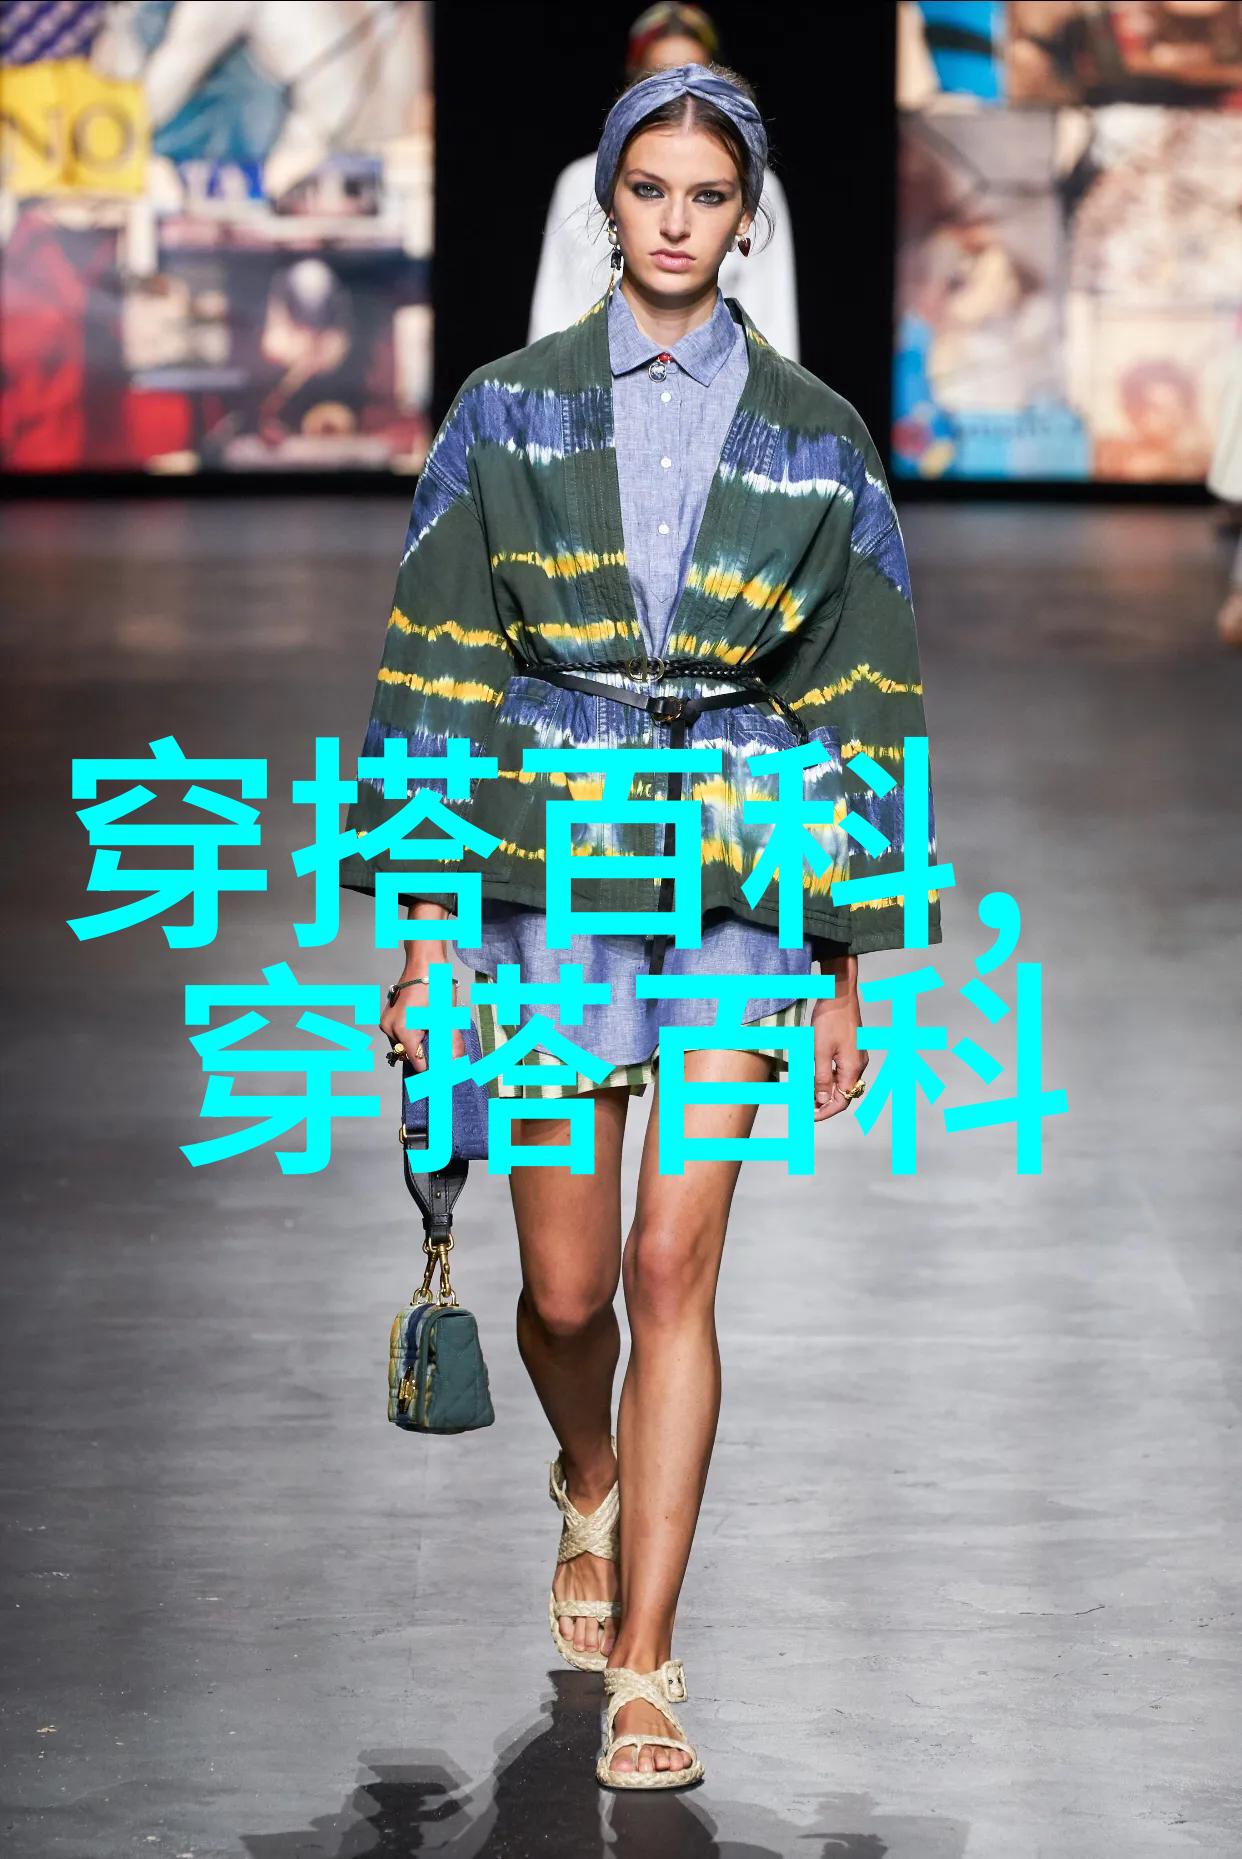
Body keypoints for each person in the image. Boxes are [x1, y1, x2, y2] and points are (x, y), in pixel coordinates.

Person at [341, 63, 942, 1791]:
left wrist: (843, 962)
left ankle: (649, 1658)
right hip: (547, 853)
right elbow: (438, 665)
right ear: (607, 203)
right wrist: (428, 937)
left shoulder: (816, 432)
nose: (676, 221)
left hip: (742, 857)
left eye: (707, 195)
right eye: (649, 189)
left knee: (675, 1263)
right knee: (566, 1285)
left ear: (745, 218)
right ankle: (588, 1473)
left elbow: (862, 693)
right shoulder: (507, 408)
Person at [528, 3, 800, 359]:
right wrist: (544, 385)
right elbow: (553, 309)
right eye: (648, 190)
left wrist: (776, 388)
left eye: (709, 196)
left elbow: (774, 316)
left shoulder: (756, 185)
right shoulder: (580, 182)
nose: (679, 90)